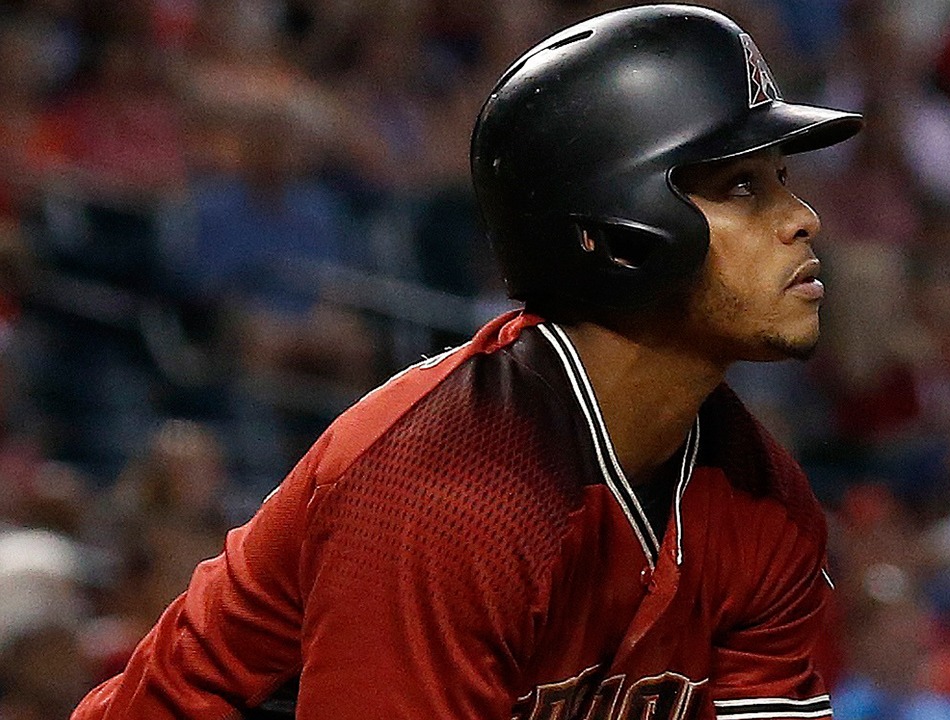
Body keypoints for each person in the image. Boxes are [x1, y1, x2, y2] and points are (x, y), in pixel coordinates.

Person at [71, 5, 863, 718]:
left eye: (783, 179)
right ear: (614, 233)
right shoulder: (448, 489)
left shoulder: (766, 501)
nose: (803, 218)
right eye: (743, 187)